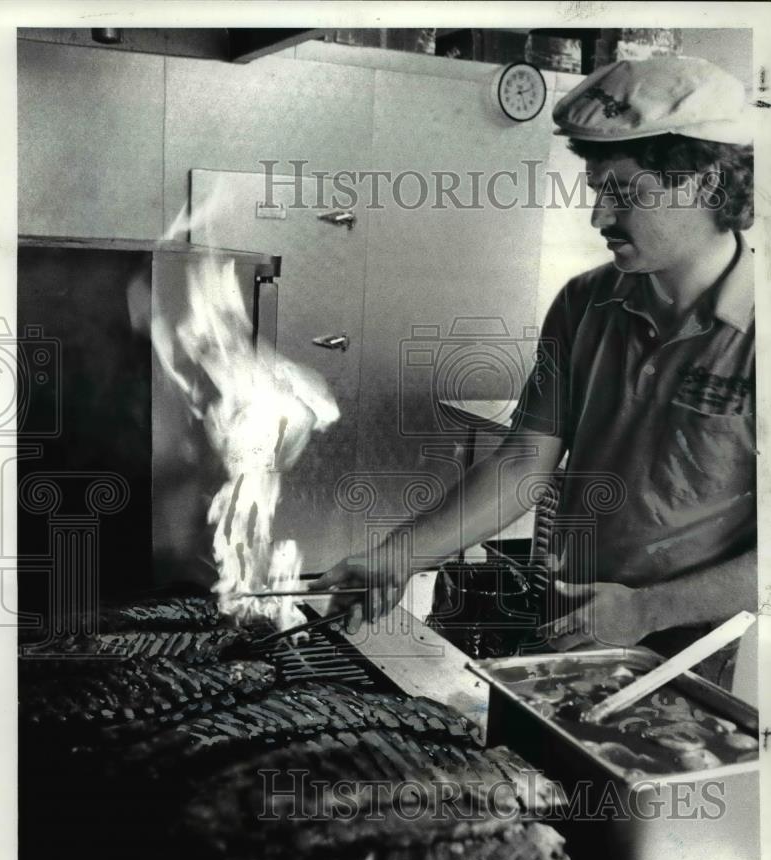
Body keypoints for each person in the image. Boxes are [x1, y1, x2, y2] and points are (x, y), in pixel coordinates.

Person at [311, 56, 756, 683]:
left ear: (706, 184)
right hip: (562, 615)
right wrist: (399, 556)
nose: (599, 217)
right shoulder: (586, 303)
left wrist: (645, 610)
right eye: (596, 189)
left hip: (680, 649)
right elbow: (523, 465)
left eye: (623, 192)